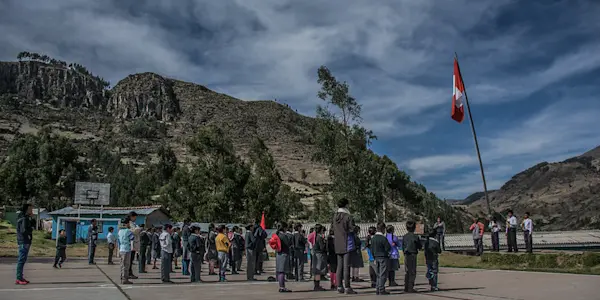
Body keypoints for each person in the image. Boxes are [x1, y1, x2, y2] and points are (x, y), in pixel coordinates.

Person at [332, 198, 356, 294]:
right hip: (347, 243)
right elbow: (351, 229)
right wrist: (355, 228)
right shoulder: (347, 216)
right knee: (347, 267)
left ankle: (339, 286)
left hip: (337, 243)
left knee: (339, 266)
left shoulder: (334, 217)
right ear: (346, 205)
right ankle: (347, 287)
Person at [16, 203, 34, 285]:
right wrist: (30, 231)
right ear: (26, 209)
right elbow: (24, 230)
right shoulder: (24, 219)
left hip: (24, 241)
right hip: (24, 241)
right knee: (21, 260)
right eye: (30, 209)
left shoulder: (24, 218)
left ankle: (20, 277)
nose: (32, 211)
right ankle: (19, 278)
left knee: (22, 260)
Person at [371, 221, 391, 295]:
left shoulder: (373, 239)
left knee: (378, 274)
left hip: (376, 257)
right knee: (383, 274)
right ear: (383, 229)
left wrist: (374, 257)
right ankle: (381, 289)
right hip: (383, 257)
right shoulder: (383, 239)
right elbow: (388, 248)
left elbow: (372, 249)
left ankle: (378, 288)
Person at [403, 220, 421, 293]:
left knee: (407, 271)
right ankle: (410, 287)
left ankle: (406, 286)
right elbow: (419, 246)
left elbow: (403, 246)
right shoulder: (415, 237)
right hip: (413, 254)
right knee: (412, 271)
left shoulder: (405, 237)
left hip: (406, 255)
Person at [274, 222, 292, 293]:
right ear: (284, 228)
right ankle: (282, 287)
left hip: (279, 254)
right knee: (282, 271)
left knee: (280, 270)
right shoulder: (283, 235)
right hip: (284, 254)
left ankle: (282, 286)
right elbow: (288, 244)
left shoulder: (277, 234)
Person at [118, 218, 134, 284]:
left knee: (122, 264)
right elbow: (132, 238)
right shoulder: (128, 231)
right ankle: (125, 279)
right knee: (126, 264)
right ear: (127, 223)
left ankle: (122, 277)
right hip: (127, 249)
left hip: (121, 248)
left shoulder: (120, 231)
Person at [311, 224, 327, 291]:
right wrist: (325, 243)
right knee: (318, 270)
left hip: (315, 254)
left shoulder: (315, 236)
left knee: (316, 270)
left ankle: (316, 285)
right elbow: (322, 247)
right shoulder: (319, 237)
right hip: (319, 254)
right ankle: (317, 286)